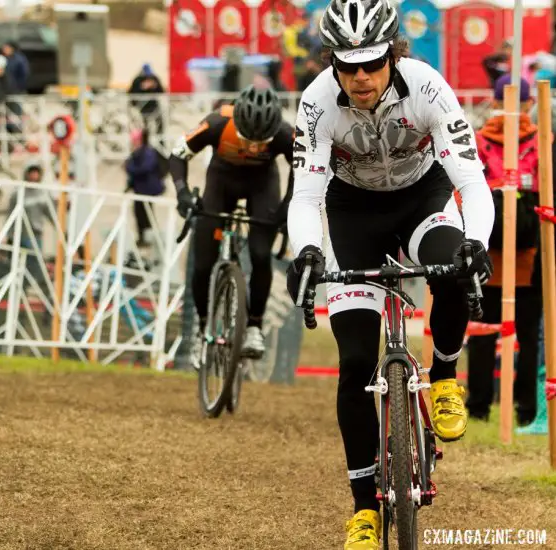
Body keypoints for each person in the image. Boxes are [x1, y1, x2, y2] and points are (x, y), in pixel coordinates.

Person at [285, 1, 495, 547]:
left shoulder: (427, 87)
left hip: (421, 199)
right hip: (353, 213)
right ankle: (364, 510)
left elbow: (471, 181)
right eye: (346, 65)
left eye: (371, 64)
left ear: (392, 54)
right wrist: (307, 251)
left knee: (452, 269)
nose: (359, 78)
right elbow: (305, 196)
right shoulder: (315, 104)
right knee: (355, 361)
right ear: (332, 62)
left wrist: (478, 241)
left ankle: (445, 376)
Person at [169, 84, 294, 363]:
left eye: (261, 142)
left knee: (261, 255)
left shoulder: (284, 132)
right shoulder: (217, 121)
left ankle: (253, 327)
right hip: (221, 182)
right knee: (202, 264)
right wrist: (182, 193)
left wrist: (289, 202)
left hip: (262, 186)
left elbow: (303, 164)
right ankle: (202, 330)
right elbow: (178, 154)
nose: (252, 146)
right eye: (246, 138)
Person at [466, 75, 554, 426]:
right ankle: (527, 409)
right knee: (531, 334)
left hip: (488, 252)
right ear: (530, 102)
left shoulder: (478, 141)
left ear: (495, 99)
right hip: (531, 255)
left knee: (482, 331)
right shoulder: (543, 140)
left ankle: (478, 406)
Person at [125, 127, 168, 247]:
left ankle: (149, 238)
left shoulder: (148, 152)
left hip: (147, 190)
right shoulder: (138, 152)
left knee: (147, 214)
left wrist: (130, 168)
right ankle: (142, 238)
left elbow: (145, 168)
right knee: (139, 214)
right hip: (140, 190)